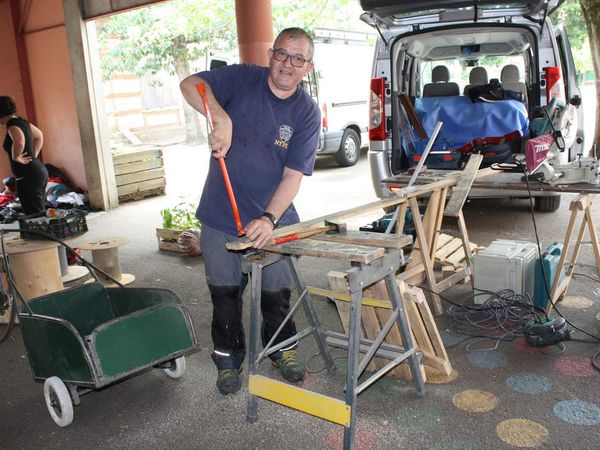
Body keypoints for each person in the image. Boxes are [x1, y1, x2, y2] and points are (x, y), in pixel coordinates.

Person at [180, 28, 320, 395]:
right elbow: (190, 83)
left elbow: (293, 175)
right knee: (224, 295)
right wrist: (220, 117)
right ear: (271, 54)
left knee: (276, 294)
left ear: (308, 66)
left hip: (273, 220)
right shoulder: (243, 78)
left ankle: (281, 350)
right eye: (282, 54)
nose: (288, 64)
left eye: (298, 58)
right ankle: (227, 361)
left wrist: (269, 218)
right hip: (220, 215)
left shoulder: (306, 113)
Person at [0, 96, 48, 215]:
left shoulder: (11, 125)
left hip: (29, 177)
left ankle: (40, 234)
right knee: (39, 212)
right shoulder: (22, 121)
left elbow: (19, 141)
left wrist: (16, 157)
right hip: (37, 172)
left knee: (35, 215)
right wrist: (34, 155)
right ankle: (43, 233)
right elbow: (39, 136)